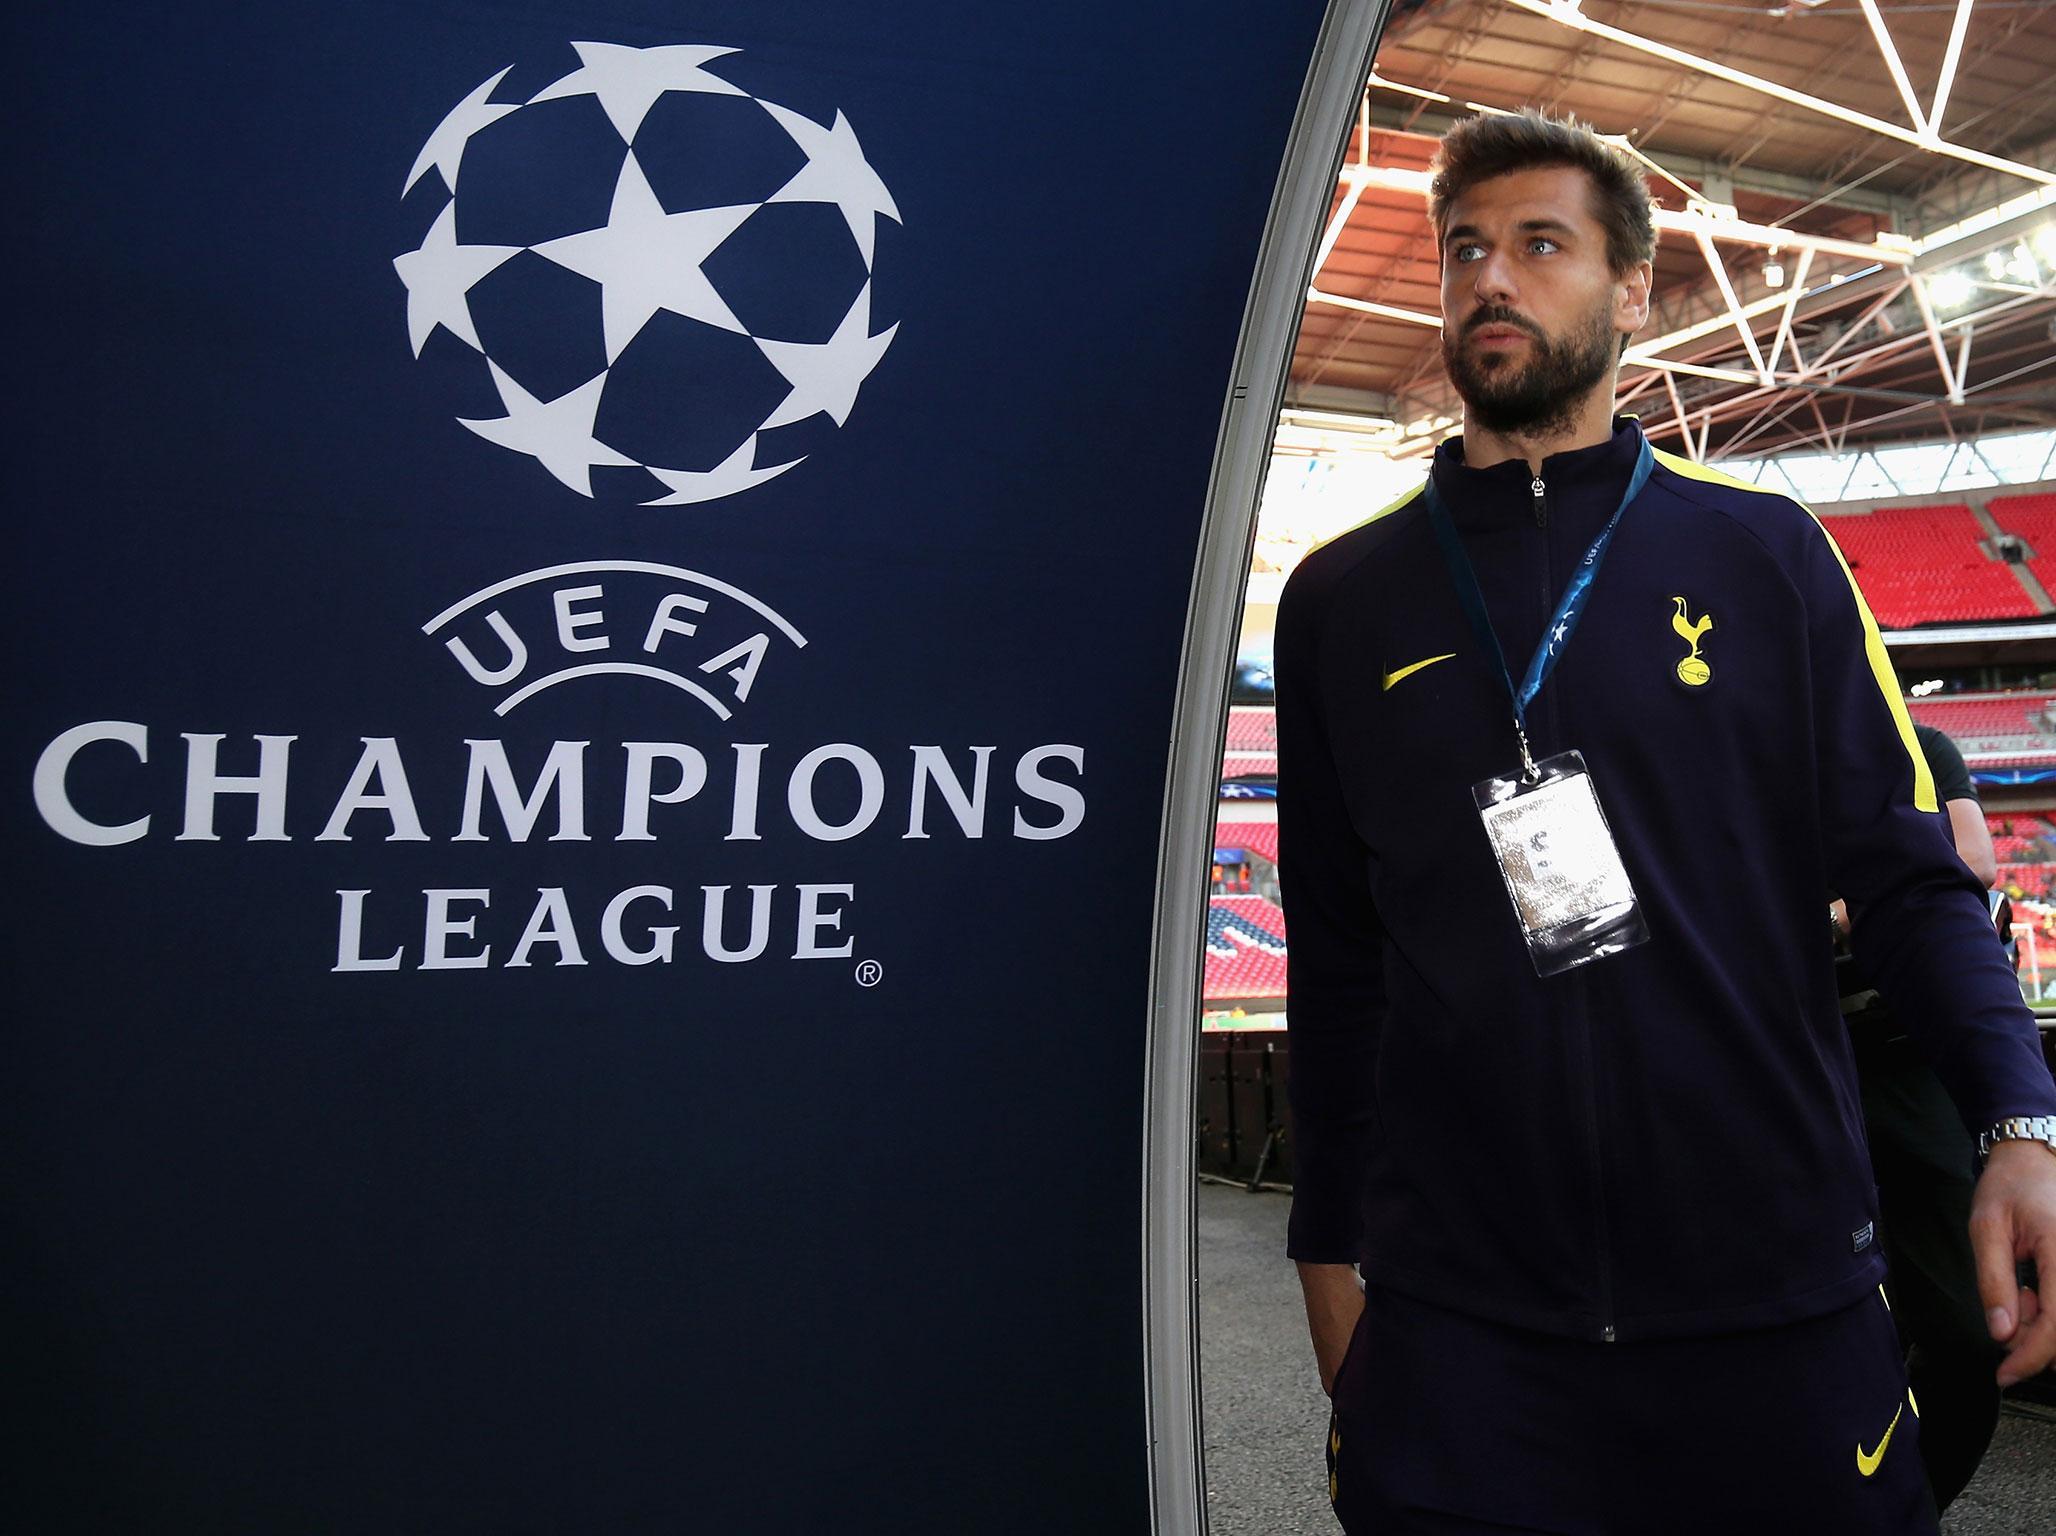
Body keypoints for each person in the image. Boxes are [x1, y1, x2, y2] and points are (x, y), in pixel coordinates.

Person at [1275, 109, 2056, 1536]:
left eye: (1539, 245)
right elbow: (1337, 973)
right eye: (1465, 251)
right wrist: (1330, 1262)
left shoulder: (1768, 555)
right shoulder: (1341, 600)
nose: (1489, 279)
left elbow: (1908, 878)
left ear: (1632, 290)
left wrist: (2023, 1118)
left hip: (1775, 1306)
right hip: (1465, 1332)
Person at [1836, 723, 2004, 1511]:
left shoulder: (1925, 747)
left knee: (1966, 1342)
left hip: (1906, 1055)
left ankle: (1910, 1510)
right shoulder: (1755, 745)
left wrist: (1841, 904)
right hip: (1794, 1056)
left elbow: (1973, 861)